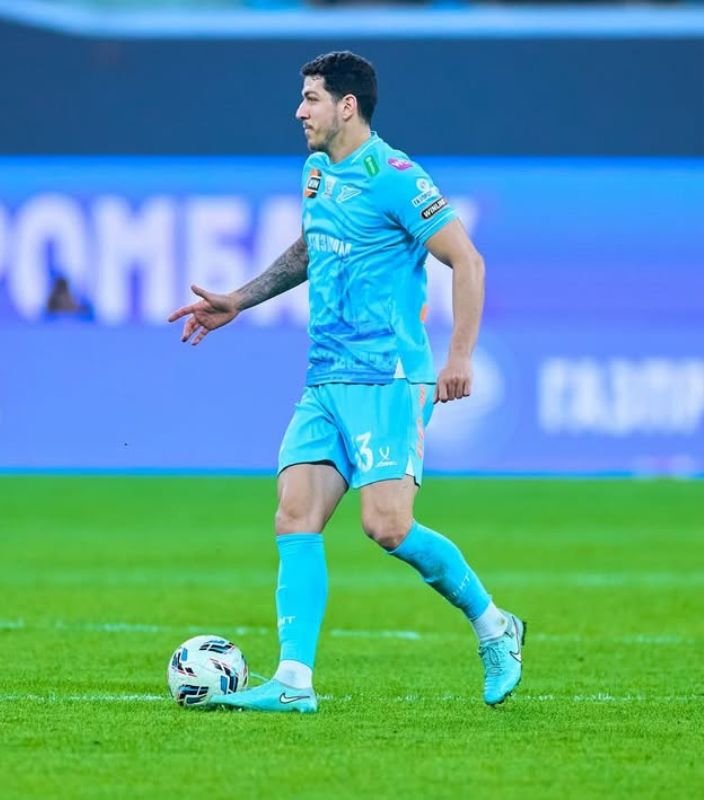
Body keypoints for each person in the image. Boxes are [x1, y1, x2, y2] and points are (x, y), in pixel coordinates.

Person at [167, 51, 524, 713]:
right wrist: (239, 300)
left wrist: (459, 358)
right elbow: (312, 246)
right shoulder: (316, 172)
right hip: (325, 377)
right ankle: (293, 681)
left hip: (388, 377)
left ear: (347, 106)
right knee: (294, 515)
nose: (299, 111)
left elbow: (467, 260)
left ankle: (494, 625)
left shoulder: (396, 178)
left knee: (387, 526)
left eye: (311, 98)